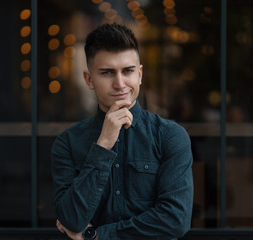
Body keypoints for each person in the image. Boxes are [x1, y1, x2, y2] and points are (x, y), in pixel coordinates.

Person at [52, 23, 194, 240]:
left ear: (140, 74)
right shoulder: (68, 143)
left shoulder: (170, 136)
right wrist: (103, 146)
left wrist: (96, 236)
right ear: (89, 79)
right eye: (107, 73)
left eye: (127, 71)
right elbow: (71, 219)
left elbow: (176, 220)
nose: (120, 84)